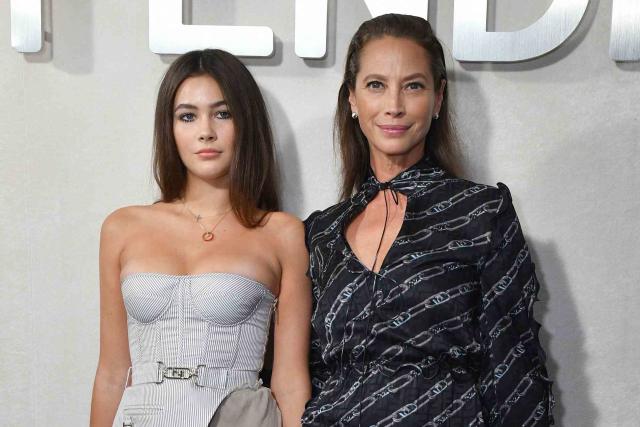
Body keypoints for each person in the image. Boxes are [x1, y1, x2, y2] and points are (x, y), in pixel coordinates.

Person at [302, 14, 554, 426]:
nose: (394, 105)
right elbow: (298, 373)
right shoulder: (319, 233)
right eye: (376, 85)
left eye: (413, 86)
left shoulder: (481, 213)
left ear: (438, 99)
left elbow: (514, 367)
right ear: (352, 99)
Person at [90, 49, 311, 427]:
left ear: (246, 122)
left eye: (222, 113)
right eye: (188, 116)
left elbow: (289, 382)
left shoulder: (282, 234)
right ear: (169, 128)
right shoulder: (122, 228)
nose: (205, 131)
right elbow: (112, 372)